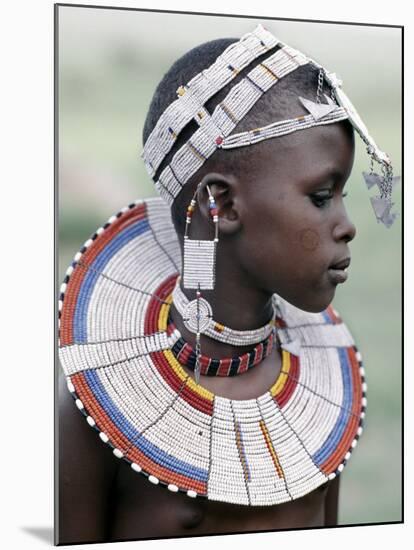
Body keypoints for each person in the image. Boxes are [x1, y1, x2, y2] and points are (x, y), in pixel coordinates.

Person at [57, 24, 397, 544]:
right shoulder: (93, 405)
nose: (347, 224)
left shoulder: (331, 390)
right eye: (323, 195)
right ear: (222, 204)